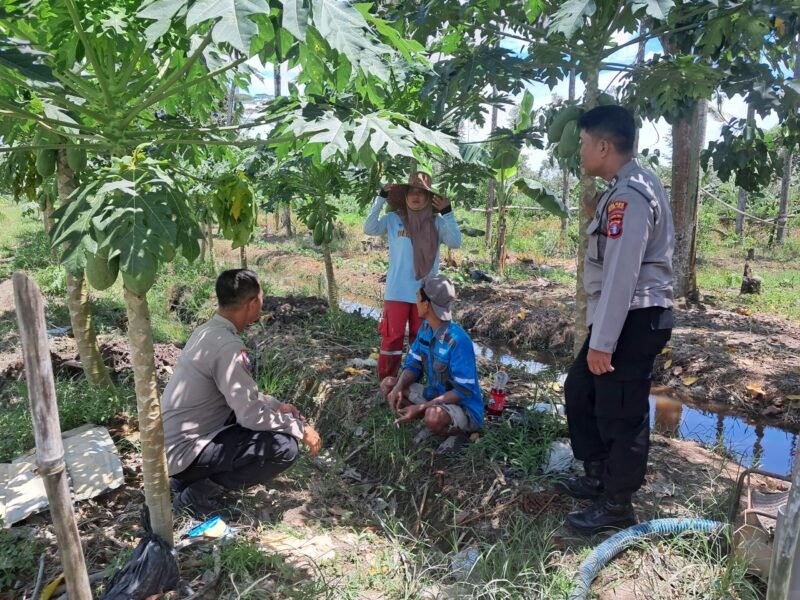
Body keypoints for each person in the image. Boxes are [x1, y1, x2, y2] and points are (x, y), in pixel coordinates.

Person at [558, 105, 675, 534]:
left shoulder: (630, 195)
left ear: (604, 146)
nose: (581, 151)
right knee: (582, 390)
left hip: (634, 317)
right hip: (622, 315)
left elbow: (623, 273)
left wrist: (603, 341)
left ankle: (617, 506)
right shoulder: (622, 187)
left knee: (620, 411)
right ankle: (598, 475)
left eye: (585, 143)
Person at [162, 269, 322, 518]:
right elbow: (250, 417)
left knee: (266, 429)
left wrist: (275, 405)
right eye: (261, 297)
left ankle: (186, 483)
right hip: (186, 453)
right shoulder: (228, 347)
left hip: (176, 447)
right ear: (252, 303)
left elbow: (236, 394)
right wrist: (299, 429)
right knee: (283, 447)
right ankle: (197, 496)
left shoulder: (207, 331)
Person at [364, 171, 462, 381]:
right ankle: (387, 381)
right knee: (393, 338)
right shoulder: (393, 219)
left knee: (421, 339)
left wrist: (448, 213)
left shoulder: (436, 223)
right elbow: (369, 228)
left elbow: (455, 242)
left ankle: (416, 381)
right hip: (396, 292)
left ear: (428, 198)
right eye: (412, 192)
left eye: (422, 193)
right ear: (406, 196)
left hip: (424, 294)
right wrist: (380, 198)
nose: (416, 196)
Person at [380, 275, 483, 450]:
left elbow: (462, 391)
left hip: (462, 407)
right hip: (434, 397)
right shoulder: (426, 328)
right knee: (388, 385)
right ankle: (429, 420)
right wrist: (397, 388)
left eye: (418, 298)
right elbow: (414, 364)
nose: (416, 302)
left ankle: (459, 433)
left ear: (427, 305)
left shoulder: (458, 341)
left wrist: (421, 408)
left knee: (433, 417)